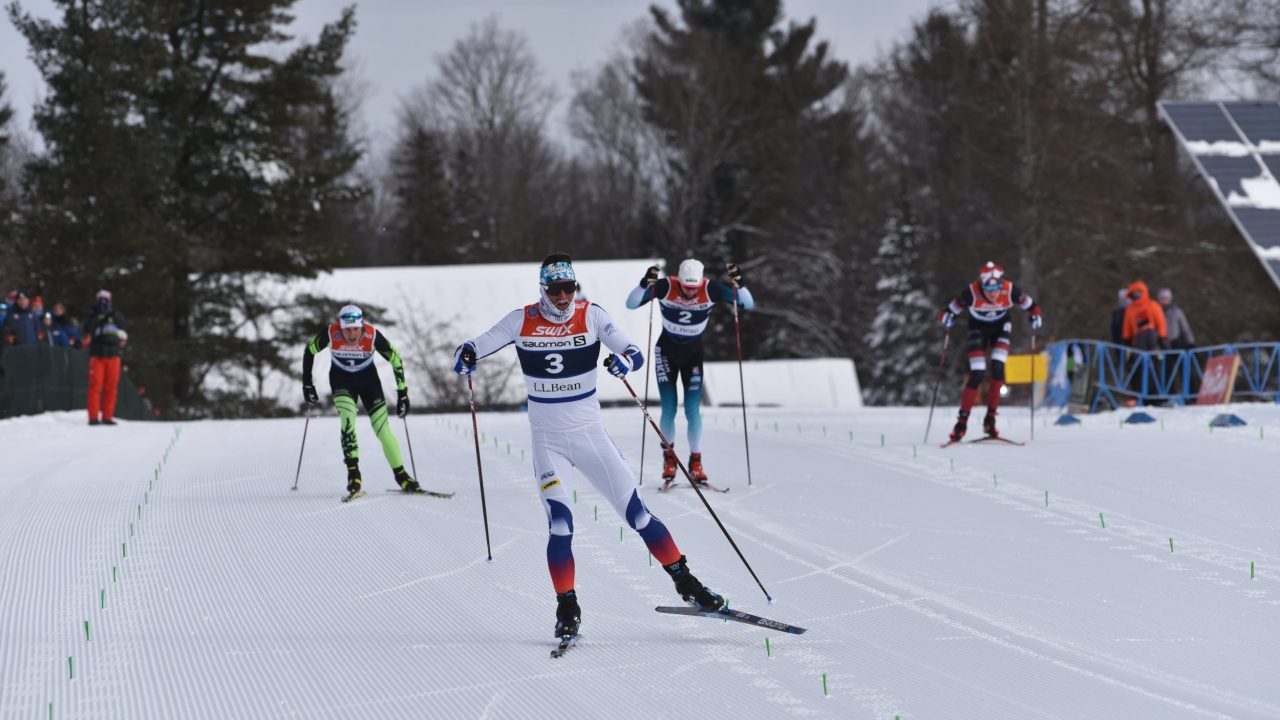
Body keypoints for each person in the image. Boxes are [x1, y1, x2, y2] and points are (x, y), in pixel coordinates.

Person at [453, 252, 725, 642]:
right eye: (555, 289)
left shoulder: (591, 314)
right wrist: (464, 356)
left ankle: (688, 583)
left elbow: (634, 351)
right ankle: (567, 607)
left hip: (589, 436)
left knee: (639, 515)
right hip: (549, 444)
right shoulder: (521, 319)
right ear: (543, 289)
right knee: (561, 524)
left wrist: (624, 364)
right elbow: (473, 347)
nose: (563, 297)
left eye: (569, 288)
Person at [624, 259, 753, 487]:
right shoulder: (665, 285)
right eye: (686, 287)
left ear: (701, 281)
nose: (690, 292)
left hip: (693, 354)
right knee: (669, 408)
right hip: (666, 352)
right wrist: (645, 283)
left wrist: (740, 284)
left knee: (693, 411)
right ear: (680, 279)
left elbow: (747, 304)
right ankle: (669, 459)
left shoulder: (710, 288)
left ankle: (696, 462)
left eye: (694, 288)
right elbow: (631, 304)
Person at [302, 304, 418, 498]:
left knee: (382, 429)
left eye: (356, 328)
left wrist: (402, 393)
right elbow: (309, 350)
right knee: (348, 418)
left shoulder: (372, 335)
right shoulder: (331, 334)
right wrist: (307, 384)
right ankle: (353, 475)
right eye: (347, 329)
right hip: (341, 381)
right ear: (340, 327)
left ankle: (402, 476)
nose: (353, 334)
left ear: (361, 325)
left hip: (369, 382)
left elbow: (396, 359)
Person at [938, 261, 1043, 441]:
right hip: (977, 328)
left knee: (997, 369)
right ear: (982, 285)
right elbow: (948, 311)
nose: (993, 294)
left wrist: (1035, 317)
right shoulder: (971, 292)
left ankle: (990, 420)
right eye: (988, 289)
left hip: (1001, 327)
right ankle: (961, 423)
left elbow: (1033, 306)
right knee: (977, 372)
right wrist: (947, 319)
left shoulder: (1010, 290)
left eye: (996, 289)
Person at [82, 290, 129, 425]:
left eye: (106, 300)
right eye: (101, 300)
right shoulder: (93, 315)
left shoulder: (115, 314)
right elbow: (87, 328)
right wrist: (96, 314)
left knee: (111, 387)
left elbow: (124, 325)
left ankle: (107, 416)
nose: (103, 303)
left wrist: (112, 313)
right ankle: (93, 417)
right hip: (97, 355)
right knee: (95, 386)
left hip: (113, 355)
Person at [1121, 281, 1166, 351]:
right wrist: (1126, 339)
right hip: (1138, 341)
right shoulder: (1130, 309)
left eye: (1138, 294)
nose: (1136, 297)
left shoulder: (1153, 305)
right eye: (1134, 295)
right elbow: (1126, 325)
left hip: (1153, 339)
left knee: (1154, 356)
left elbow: (1161, 322)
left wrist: (1162, 336)